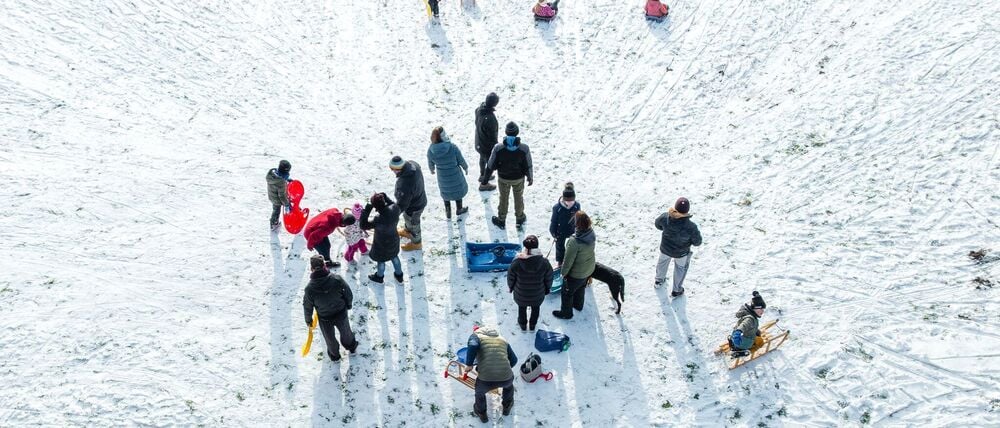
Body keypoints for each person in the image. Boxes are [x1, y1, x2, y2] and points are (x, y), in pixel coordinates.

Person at [303, 255, 358, 361]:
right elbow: (348, 292)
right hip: (340, 312)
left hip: (324, 317)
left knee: (329, 338)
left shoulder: (309, 289)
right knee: (346, 331)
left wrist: (308, 320)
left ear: (311, 269)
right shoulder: (336, 279)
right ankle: (351, 348)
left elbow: (307, 306)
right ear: (324, 265)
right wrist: (349, 304)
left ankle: (335, 355)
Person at [486, 122, 533, 230]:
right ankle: (519, 218)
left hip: (503, 178)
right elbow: (528, 164)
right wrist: (530, 177)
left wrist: (485, 178)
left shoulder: (498, 148)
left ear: (506, 132)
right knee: (518, 198)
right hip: (518, 179)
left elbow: (490, 164)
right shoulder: (524, 148)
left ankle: (501, 220)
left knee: (503, 198)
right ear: (517, 132)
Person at [466, 326, 517, 423]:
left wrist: (469, 364)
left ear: (476, 330)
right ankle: (507, 406)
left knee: (479, 393)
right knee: (509, 386)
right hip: (506, 377)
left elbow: (472, 345)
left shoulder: (476, 335)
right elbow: (514, 360)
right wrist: (502, 368)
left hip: (486, 380)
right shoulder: (503, 340)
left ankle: (481, 413)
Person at [654, 197, 703, 297]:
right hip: (681, 253)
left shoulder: (665, 217)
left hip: (665, 249)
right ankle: (676, 290)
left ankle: (658, 281)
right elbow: (697, 242)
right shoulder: (691, 227)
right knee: (680, 269)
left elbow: (657, 224)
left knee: (662, 263)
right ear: (687, 211)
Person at [553, 212, 596, 320]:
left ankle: (566, 313)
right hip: (588, 269)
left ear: (577, 225)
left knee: (567, 292)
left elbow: (568, 261)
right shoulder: (591, 234)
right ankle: (578, 305)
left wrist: (563, 273)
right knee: (581, 288)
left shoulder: (574, 242)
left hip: (576, 274)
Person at [507, 235, 553, 331]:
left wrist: (511, 287)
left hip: (521, 294)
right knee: (536, 309)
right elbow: (549, 278)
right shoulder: (545, 263)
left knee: (522, 308)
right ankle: (532, 325)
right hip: (537, 294)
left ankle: (523, 325)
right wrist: (547, 288)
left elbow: (511, 277)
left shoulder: (516, 262)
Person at [427, 126, 470, 219]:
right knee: (457, 191)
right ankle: (459, 209)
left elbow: (430, 162)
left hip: (442, 177)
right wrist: (465, 167)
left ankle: (448, 211)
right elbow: (460, 159)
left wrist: (432, 169)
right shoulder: (452, 147)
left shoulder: (431, 150)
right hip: (455, 175)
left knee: (446, 192)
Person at [361, 193, 404, 285]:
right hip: (394, 240)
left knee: (381, 261)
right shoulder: (395, 209)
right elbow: (392, 204)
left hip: (381, 244)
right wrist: (385, 196)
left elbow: (363, 225)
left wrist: (366, 211)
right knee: (394, 257)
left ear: (375, 207)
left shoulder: (378, 219)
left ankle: (379, 277)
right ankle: (399, 275)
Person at [390, 156, 428, 252]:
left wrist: (393, 214)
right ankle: (407, 231)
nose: (391, 171)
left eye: (392, 169)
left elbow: (402, 204)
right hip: (419, 198)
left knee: (414, 224)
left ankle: (416, 243)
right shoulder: (412, 164)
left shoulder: (405, 184)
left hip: (414, 207)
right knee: (408, 220)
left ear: (397, 169)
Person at [549, 182, 580, 267]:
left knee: (573, 246)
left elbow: (578, 219)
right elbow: (553, 221)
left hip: (572, 231)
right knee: (560, 247)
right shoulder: (557, 208)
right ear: (563, 199)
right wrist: (553, 232)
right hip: (560, 231)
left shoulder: (577, 206)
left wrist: (579, 230)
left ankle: (573, 260)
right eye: (568, 201)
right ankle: (560, 261)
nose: (570, 203)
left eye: (572, 201)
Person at [474, 93, 500, 191]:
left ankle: (482, 174)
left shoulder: (478, 109)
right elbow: (493, 137)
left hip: (479, 142)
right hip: (486, 146)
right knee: (491, 164)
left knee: (482, 158)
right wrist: (497, 147)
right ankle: (484, 183)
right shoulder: (490, 119)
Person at [729, 291, 766, 358]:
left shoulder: (747, 312)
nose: (762, 311)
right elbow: (744, 325)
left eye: (763, 309)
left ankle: (735, 344)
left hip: (736, 338)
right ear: (755, 308)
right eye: (761, 309)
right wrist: (738, 332)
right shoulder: (750, 319)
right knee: (761, 342)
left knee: (758, 333)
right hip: (741, 341)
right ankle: (743, 352)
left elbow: (747, 326)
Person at [265, 160, 292, 230]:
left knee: (275, 209)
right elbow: (282, 196)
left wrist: (286, 179)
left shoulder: (271, 174)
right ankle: (274, 224)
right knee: (276, 211)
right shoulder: (281, 183)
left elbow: (278, 179)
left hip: (271, 195)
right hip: (276, 199)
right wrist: (286, 204)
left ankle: (273, 222)